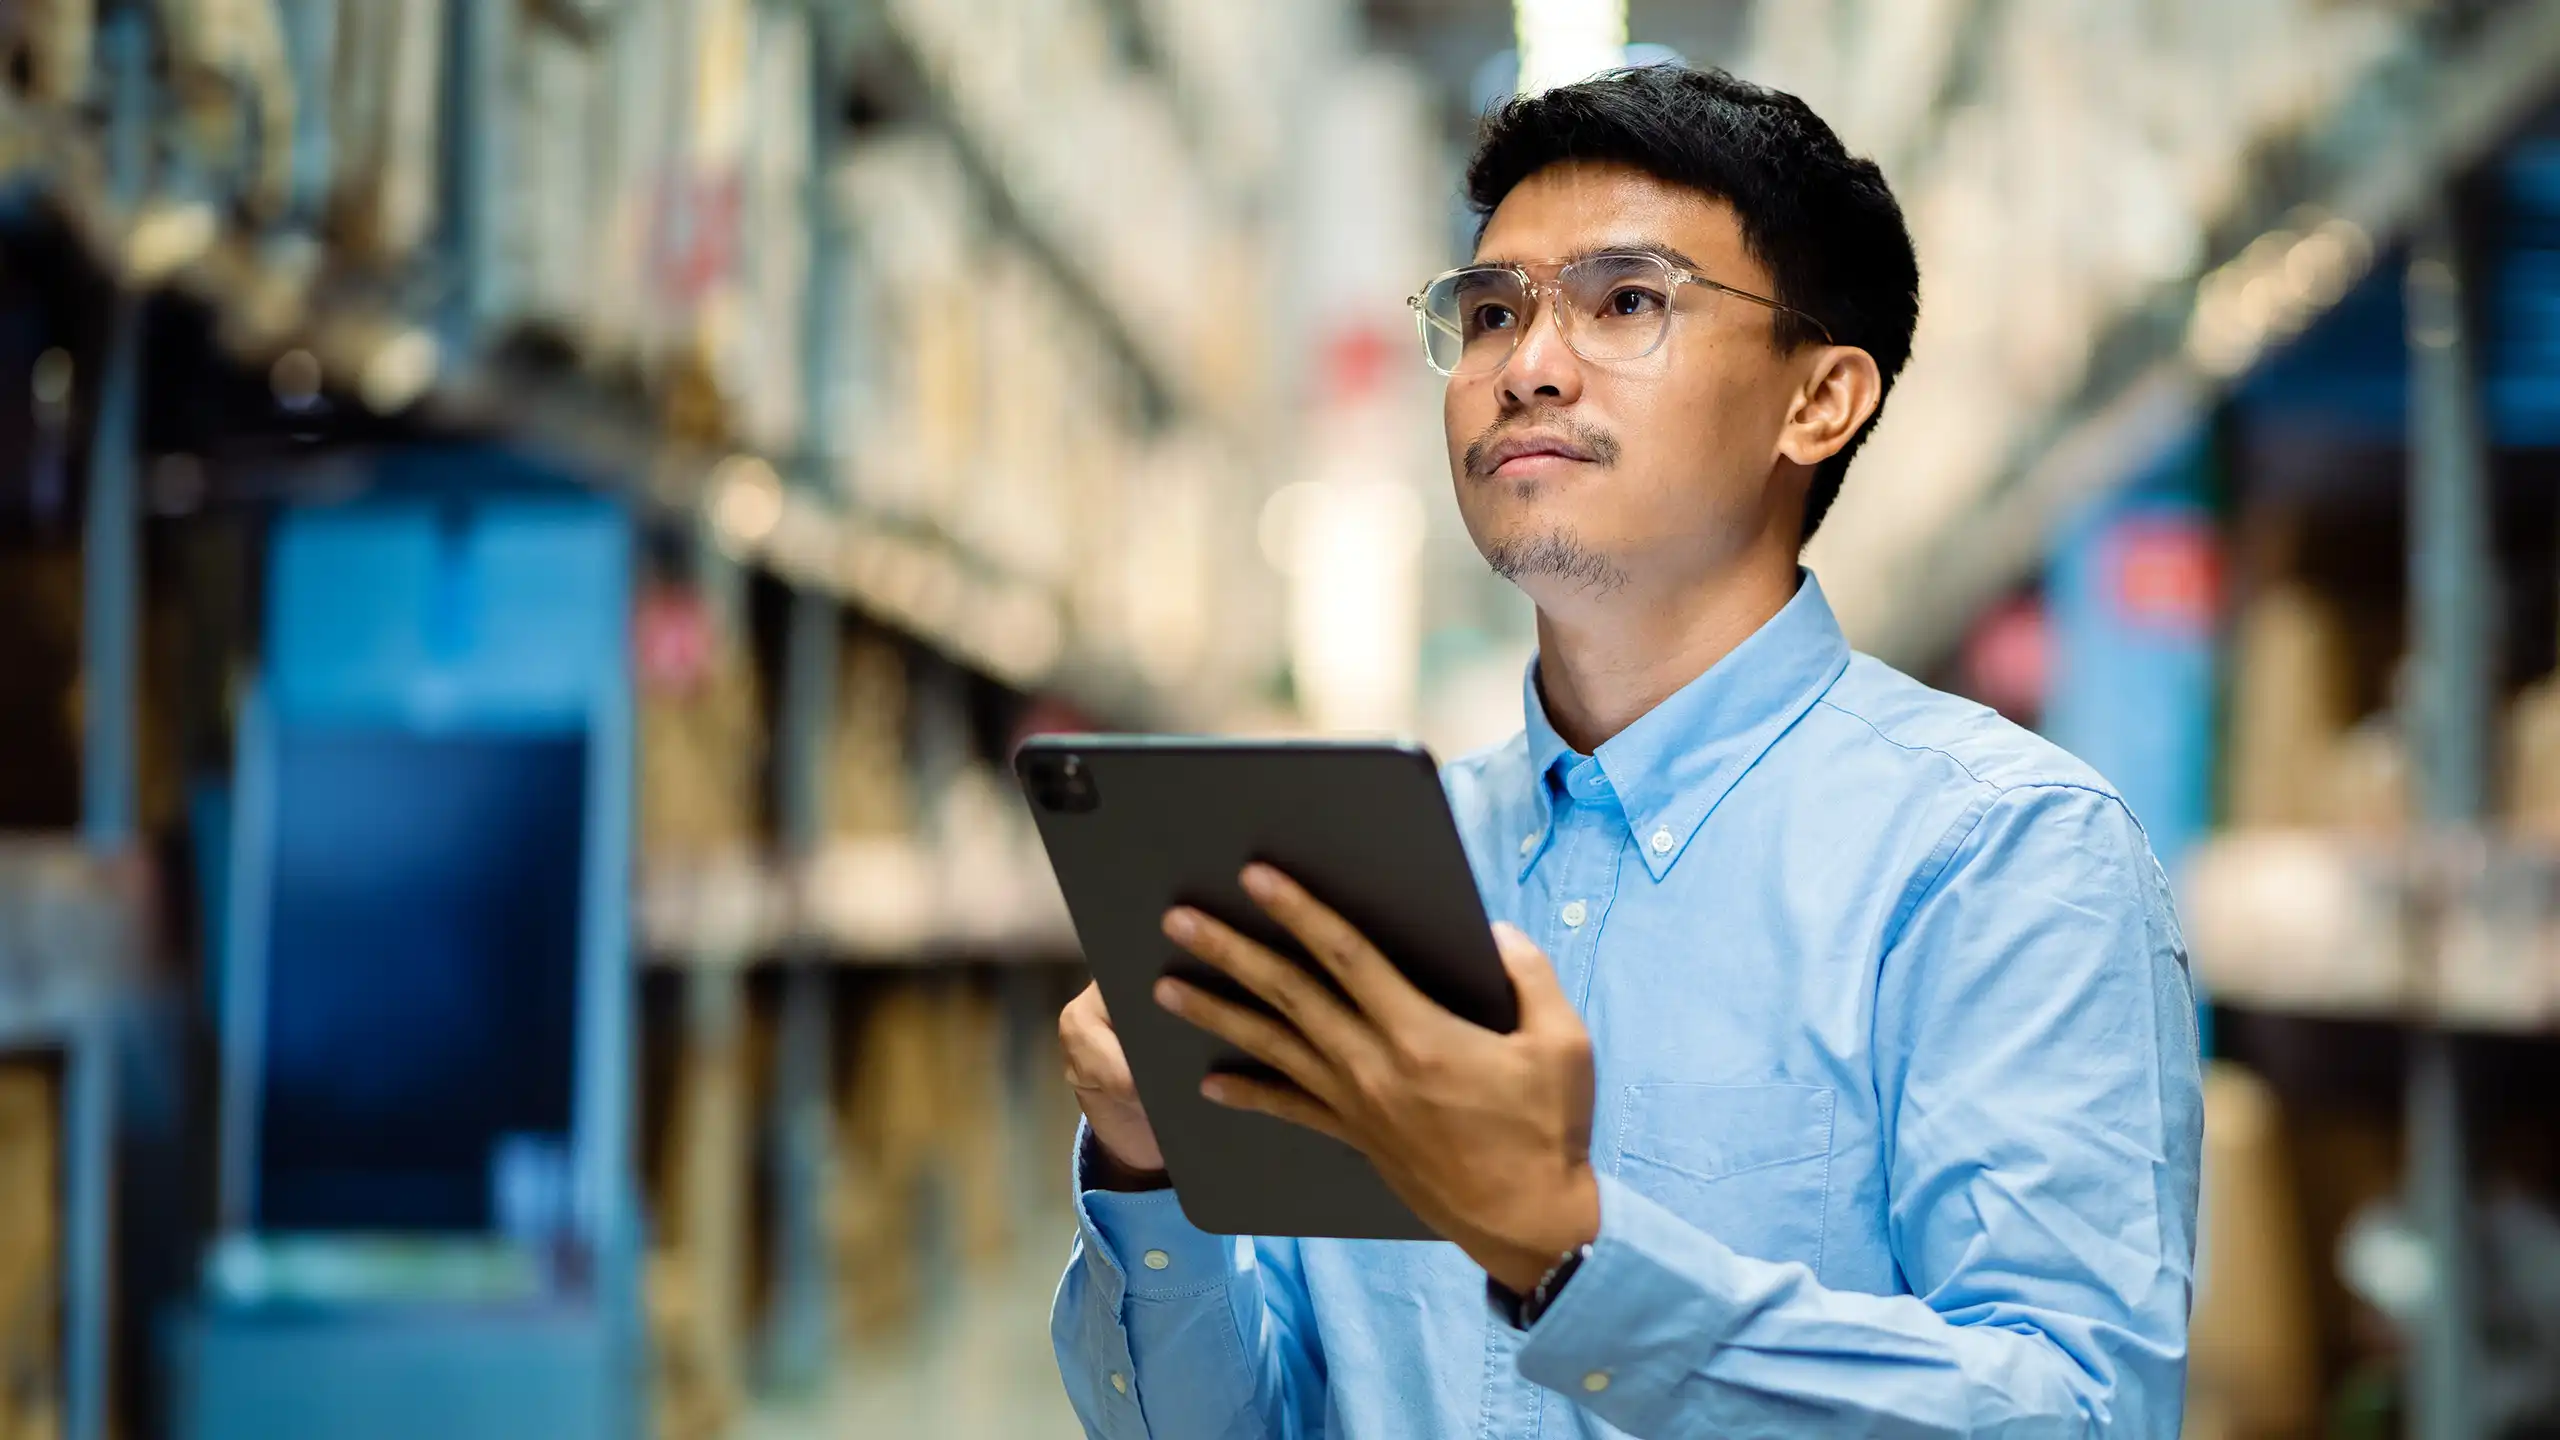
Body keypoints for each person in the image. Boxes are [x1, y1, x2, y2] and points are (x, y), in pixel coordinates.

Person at [1051, 63, 2201, 1439]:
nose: (1527, 365)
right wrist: (1152, 1174)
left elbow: (2079, 1412)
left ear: (1819, 401)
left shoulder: (1999, 856)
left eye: (1627, 302)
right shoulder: (1363, 875)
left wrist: (1569, 1251)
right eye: (1489, 313)